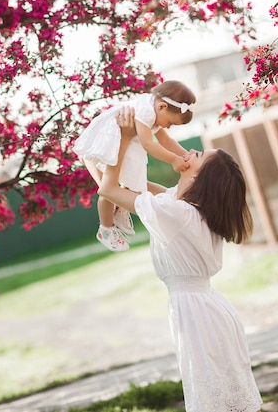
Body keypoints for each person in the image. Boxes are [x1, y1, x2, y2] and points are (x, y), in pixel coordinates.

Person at [97, 106, 263, 412]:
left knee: (213, 401)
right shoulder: (182, 206)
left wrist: (121, 139)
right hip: (203, 309)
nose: (188, 152)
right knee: (220, 399)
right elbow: (128, 188)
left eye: (197, 155)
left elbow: (108, 189)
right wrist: (116, 146)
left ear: (199, 175)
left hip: (199, 313)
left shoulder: (177, 213)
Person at [73, 80, 196, 252]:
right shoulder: (146, 111)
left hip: (124, 143)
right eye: (170, 123)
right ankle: (106, 229)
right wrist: (173, 159)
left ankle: (121, 209)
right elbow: (149, 144)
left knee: (132, 183)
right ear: (162, 107)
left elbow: (166, 140)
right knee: (109, 189)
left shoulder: (155, 112)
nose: (168, 127)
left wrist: (185, 154)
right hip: (109, 142)